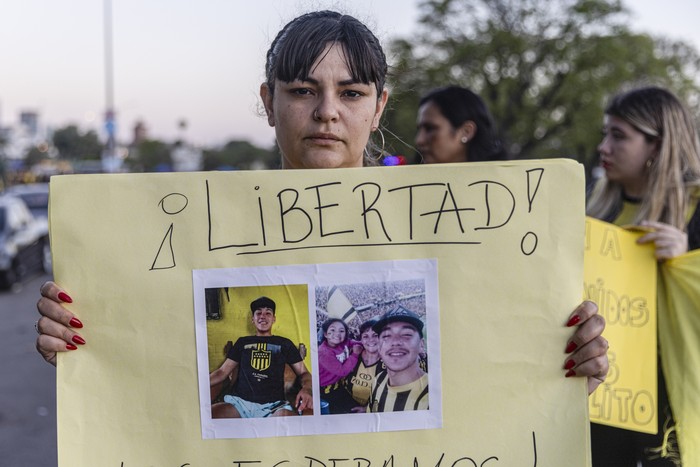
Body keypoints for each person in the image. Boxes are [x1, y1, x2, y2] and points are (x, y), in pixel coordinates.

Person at [34, 9, 607, 407]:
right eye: (303, 90)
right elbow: (160, 380)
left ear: (379, 106)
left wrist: (561, 372)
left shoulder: (457, 235)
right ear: (268, 101)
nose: (328, 111)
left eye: (352, 93)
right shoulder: (195, 240)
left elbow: (487, 382)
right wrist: (92, 350)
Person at [587, 86, 700, 466]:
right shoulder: (595, 212)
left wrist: (685, 259)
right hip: (603, 399)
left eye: (619, 136)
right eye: (605, 133)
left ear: (657, 145)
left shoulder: (695, 212)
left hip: (672, 399)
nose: (604, 146)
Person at [208, 296, 312, 418]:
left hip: (274, 406)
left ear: (274, 319)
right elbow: (222, 372)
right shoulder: (242, 342)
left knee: (290, 423)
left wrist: (308, 388)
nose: (263, 316)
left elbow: (304, 373)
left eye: (268, 313)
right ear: (253, 319)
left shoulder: (285, 343)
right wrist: (201, 384)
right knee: (210, 415)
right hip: (239, 403)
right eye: (258, 313)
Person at [415, 85, 509, 164]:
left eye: (430, 128)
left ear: (466, 132)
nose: (419, 140)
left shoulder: (510, 183)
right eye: (419, 129)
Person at [368, 306, 428, 412]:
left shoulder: (434, 397)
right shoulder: (378, 380)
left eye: (406, 334)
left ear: (421, 345)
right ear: (379, 346)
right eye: (386, 336)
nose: (395, 342)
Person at [317, 317, 361, 414]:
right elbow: (342, 371)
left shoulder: (343, 342)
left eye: (341, 331)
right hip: (327, 391)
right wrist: (355, 354)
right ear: (325, 334)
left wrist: (365, 344)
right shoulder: (324, 352)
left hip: (338, 385)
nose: (337, 334)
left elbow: (351, 342)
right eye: (332, 330)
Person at [345, 318, 383, 412]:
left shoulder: (390, 362)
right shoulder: (351, 354)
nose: (371, 340)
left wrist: (367, 409)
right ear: (361, 339)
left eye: (375, 335)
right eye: (365, 336)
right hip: (345, 403)